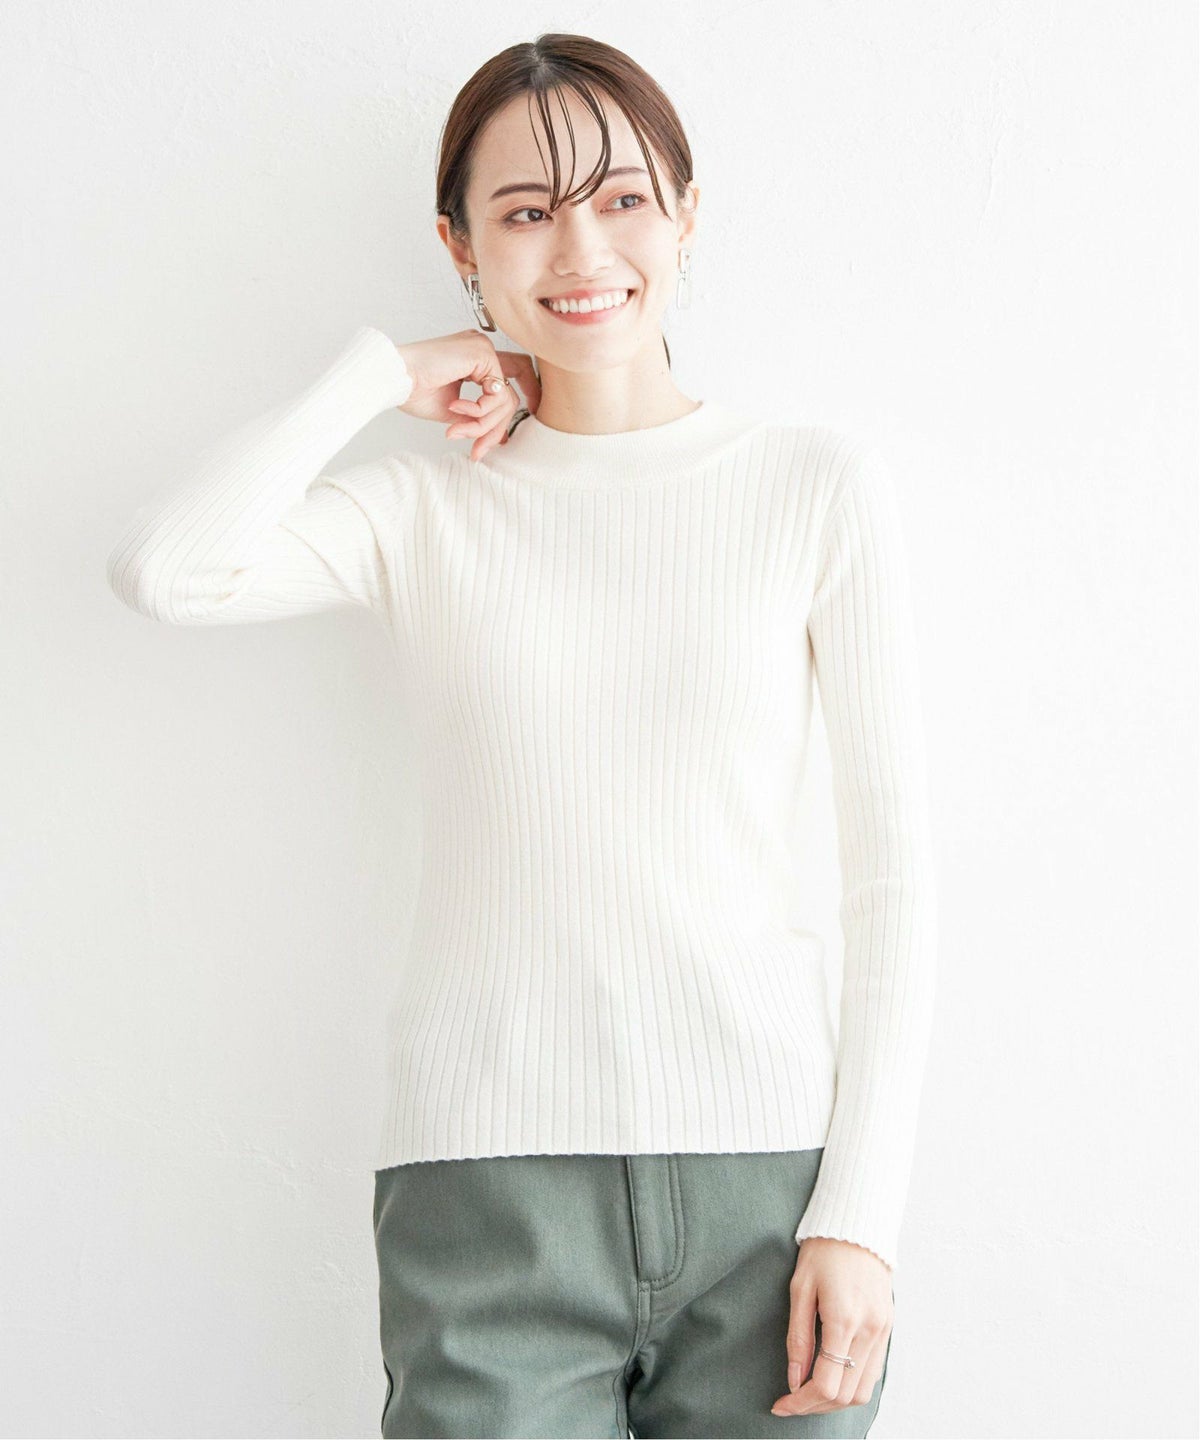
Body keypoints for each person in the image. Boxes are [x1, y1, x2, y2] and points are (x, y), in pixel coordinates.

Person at [105, 31, 937, 1440]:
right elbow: (165, 569)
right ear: (462, 247)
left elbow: (893, 880)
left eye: (623, 199)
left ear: (687, 214)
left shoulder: (813, 486)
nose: (582, 248)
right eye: (527, 211)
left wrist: (860, 1216)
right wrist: (383, 375)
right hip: (483, 1191)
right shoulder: (423, 509)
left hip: (771, 1187)